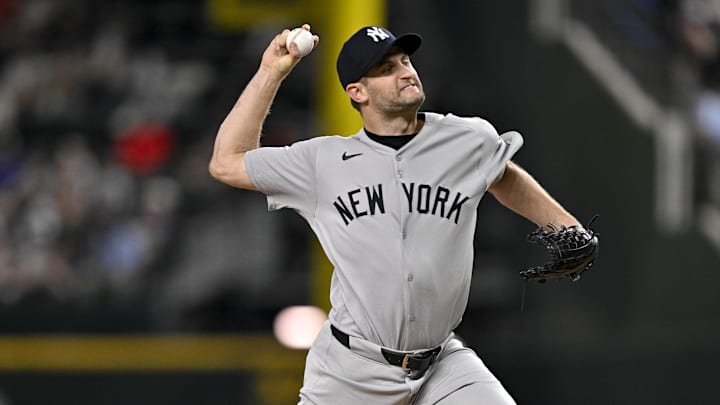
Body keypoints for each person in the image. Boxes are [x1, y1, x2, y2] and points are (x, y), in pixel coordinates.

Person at [209, 24, 584, 405]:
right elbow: (226, 162)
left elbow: (502, 173)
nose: (406, 71)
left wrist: (563, 225)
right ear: (357, 92)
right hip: (351, 370)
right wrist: (271, 72)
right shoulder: (320, 161)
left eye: (405, 60)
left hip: (441, 365)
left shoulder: (468, 139)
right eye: (387, 68)